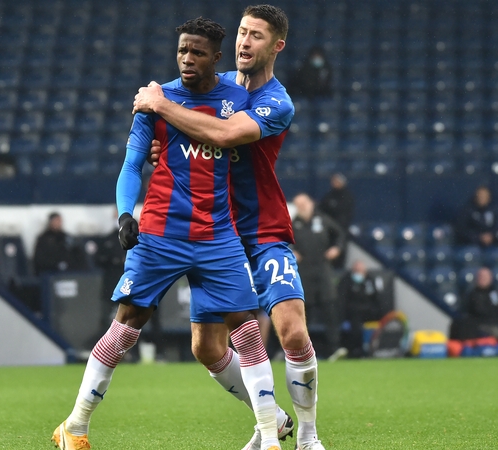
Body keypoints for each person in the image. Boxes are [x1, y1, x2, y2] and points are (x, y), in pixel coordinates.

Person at [53, 17, 282, 450]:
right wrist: (125, 213)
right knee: (126, 326)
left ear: (217, 57)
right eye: (182, 50)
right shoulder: (154, 100)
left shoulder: (237, 98)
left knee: (247, 332)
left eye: (197, 52)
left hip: (218, 233)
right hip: (160, 232)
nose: (187, 59)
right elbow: (131, 164)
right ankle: (76, 426)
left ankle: (270, 438)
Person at [134, 5, 326, 449]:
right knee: (205, 347)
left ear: (276, 46)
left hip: (261, 230)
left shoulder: (277, 101)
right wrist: (164, 148)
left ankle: (309, 437)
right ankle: (271, 420)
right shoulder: (211, 87)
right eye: (241, 33)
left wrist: (161, 103)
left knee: (292, 329)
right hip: (212, 232)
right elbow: (182, 136)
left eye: (256, 36)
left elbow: (222, 135)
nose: (244, 42)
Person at [292, 193, 345, 360]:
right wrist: (291, 251)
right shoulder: (293, 224)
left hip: (323, 268)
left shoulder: (322, 220)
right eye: (298, 204)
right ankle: (303, 351)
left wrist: (336, 248)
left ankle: (334, 349)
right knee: (303, 311)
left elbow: (340, 235)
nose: (302, 207)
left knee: (329, 308)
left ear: (311, 203)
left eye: (304, 203)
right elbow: (280, 242)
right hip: (303, 270)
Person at [337, 260, 386, 358]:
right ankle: (357, 350)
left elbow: (377, 299)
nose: (359, 273)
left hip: (369, 311)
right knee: (355, 323)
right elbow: (342, 300)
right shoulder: (346, 281)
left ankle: (379, 349)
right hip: (353, 312)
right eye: (357, 270)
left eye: (361, 270)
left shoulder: (370, 280)